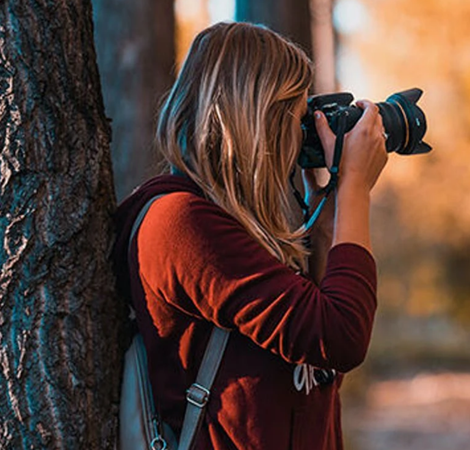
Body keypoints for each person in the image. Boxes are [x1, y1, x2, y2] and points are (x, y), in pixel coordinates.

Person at [112, 22, 387, 450]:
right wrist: (354, 189)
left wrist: (329, 210)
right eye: (295, 117)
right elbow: (339, 336)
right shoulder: (181, 223)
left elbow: (316, 363)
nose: (300, 136)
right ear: (259, 118)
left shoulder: (239, 224)